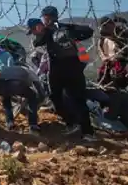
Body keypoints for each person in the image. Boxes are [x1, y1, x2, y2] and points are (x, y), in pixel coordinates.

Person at [29, 8, 95, 140]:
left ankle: (87, 132)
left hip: (70, 66)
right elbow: (37, 43)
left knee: (78, 98)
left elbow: (88, 31)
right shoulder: (47, 32)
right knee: (55, 97)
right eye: (44, 18)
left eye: (46, 18)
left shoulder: (65, 28)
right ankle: (73, 124)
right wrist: (41, 32)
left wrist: (69, 28)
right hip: (59, 67)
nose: (45, 20)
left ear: (51, 17)